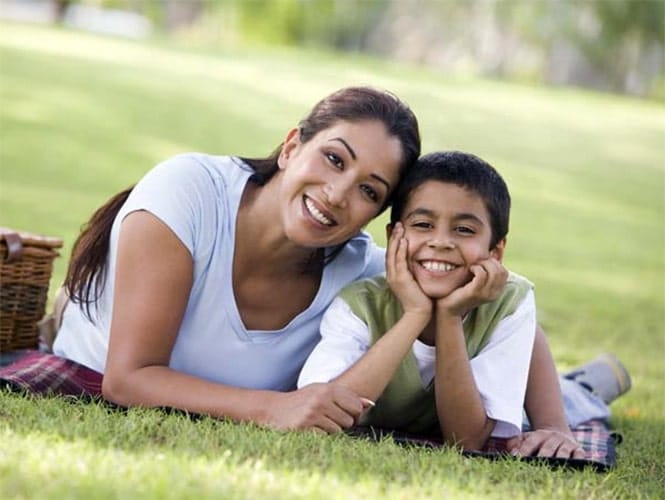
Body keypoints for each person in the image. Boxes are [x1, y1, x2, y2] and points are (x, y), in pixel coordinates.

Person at [0, 86, 425, 431]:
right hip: (84, 372)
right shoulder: (189, 192)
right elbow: (128, 379)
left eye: (369, 190)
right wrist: (275, 408)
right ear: (292, 147)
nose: (337, 194)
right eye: (333, 159)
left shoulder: (361, 273)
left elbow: (449, 280)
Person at [298, 151, 630, 454]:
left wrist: (450, 315)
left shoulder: (509, 302)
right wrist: (415, 314)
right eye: (423, 225)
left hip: (507, 396)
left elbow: (467, 441)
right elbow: (321, 412)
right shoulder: (359, 306)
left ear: (495, 251)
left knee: (571, 401)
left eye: (464, 230)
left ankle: (591, 382)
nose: (441, 242)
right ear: (393, 236)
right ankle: (583, 379)